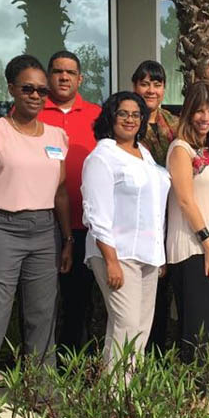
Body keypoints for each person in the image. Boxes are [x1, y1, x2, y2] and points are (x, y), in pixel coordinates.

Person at [0, 54, 72, 378]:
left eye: (42, 90)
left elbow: (60, 193)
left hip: (44, 232)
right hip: (0, 229)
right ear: (12, 88)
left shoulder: (57, 136)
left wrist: (67, 239)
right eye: (28, 89)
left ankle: (42, 390)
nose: (36, 96)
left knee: (42, 315)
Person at [81, 92, 171, 372]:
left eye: (136, 114)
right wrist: (111, 261)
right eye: (123, 113)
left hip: (148, 255)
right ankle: (116, 392)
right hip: (118, 253)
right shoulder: (103, 157)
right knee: (126, 324)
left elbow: (154, 207)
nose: (130, 119)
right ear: (111, 116)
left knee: (141, 327)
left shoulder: (144, 153)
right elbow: (95, 213)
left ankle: (127, 388)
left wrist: (159, 256)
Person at [38, 50, 101, 357]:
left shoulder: (97, 115)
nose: (63, 77)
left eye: (70, 72)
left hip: (84, 226)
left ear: (80, 79)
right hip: (40, 226)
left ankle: (75, 365)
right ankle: (39, 366)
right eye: (57, 71)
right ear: (48, 76)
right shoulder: (33, 110)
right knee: (40, 303)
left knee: (79, 302)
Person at [166, 82, 209, 363]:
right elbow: (185, 201)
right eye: (200, 111)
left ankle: (206, 383)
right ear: (188, 112)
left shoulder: (208, 150)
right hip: (192, 249)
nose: (206, 117)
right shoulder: (181, 149)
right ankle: (196, 385)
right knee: (198, 328)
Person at [132, 60, 177, 352]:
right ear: (135, 86)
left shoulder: (174, 124)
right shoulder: (125, 120)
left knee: (162, 292)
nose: (151, 90)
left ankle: (157, 355)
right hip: (135, 220)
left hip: (168, 218)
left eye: (157, 84)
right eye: (145, 83)